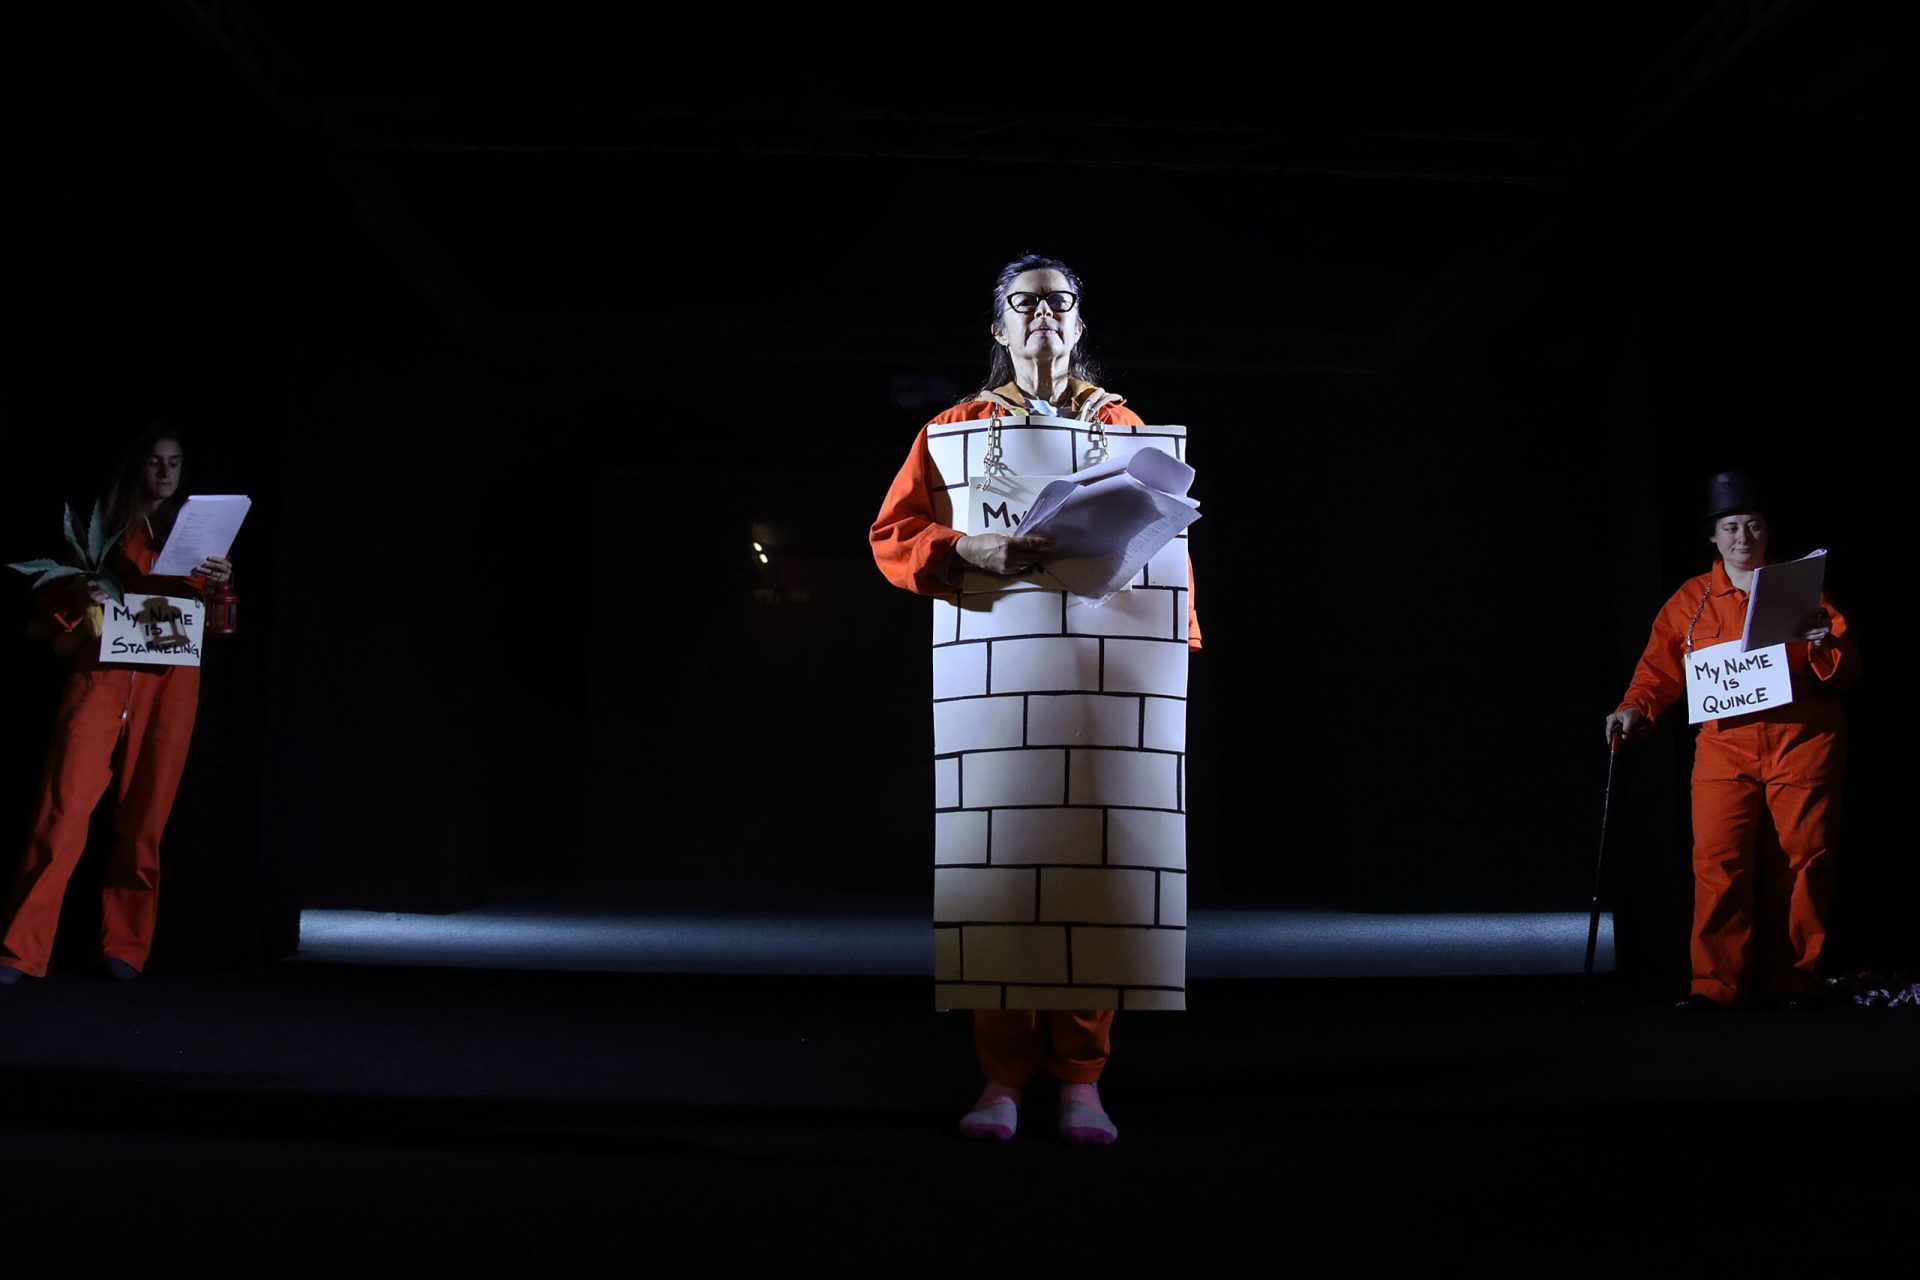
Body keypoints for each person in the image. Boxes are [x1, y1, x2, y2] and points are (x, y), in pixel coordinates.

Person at [871, 255, 1202, 1143]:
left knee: (1093, 866)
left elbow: (1169, 550)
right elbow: (893, 534)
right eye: (1026, 302)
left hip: (1101, 668)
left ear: (1080, 323)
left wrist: (1168, 651)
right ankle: (1003, 1080)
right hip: (1002, 670)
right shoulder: (955, 430)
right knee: (1006, 869)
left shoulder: (1123, 428)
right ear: (1000, 327)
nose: (1044, 313)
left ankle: (1083, 1081)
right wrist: (964, 550)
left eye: (1060, 301)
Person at [1605, 471, 1857, 1009]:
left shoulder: (1799, 589)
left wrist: (1821, 642)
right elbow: (1658, 672)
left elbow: (1848, 670)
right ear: (1713, 537)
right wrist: (1634, 708)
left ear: (1767, 531)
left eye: (1754, 525)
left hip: (1802, 742)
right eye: (1731, 527)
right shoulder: (1690, 600)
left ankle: (1794, 980)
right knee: (1718, 862)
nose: (1743, 536)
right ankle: (1716, 987)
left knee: (1802, 862)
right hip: (1724, 746)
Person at [0, 430, 234, 984]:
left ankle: (125, 947)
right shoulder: (101, 533)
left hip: (168, 686)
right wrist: (82, 596)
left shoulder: (198, 537)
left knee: (145, 821)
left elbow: (216, 623)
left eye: (174, 462)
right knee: (61, 816)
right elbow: (52, 609)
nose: (165, 472)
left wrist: (221, 588)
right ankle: (20, 950)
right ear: (137, 467)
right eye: (155, 461)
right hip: (99, 682)